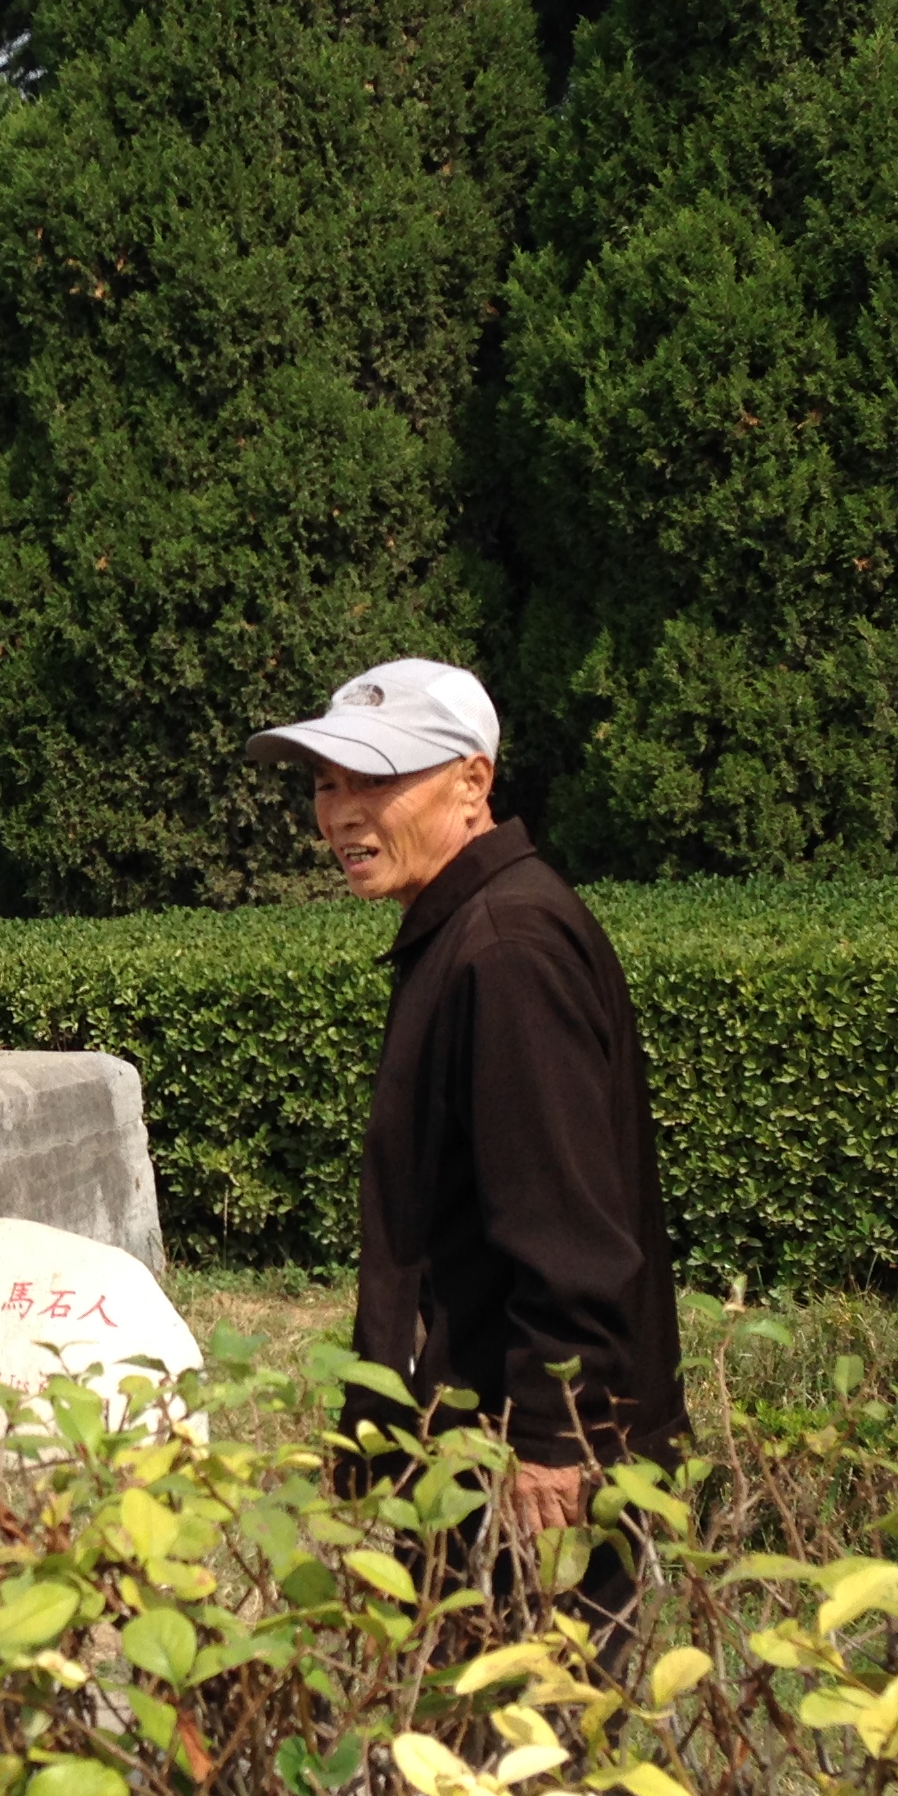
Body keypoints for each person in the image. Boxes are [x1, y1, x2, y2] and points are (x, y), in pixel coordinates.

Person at [247, 659, 688, 1555]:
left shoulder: (506, 947)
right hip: (469, 1447)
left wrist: (555, 1439)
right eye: (329, 784)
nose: (342, 812)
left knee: (533, 1693)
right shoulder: (469, 929)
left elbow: (567, 1228)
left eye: (378, 778)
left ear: (472, 780)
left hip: (524, 1472)